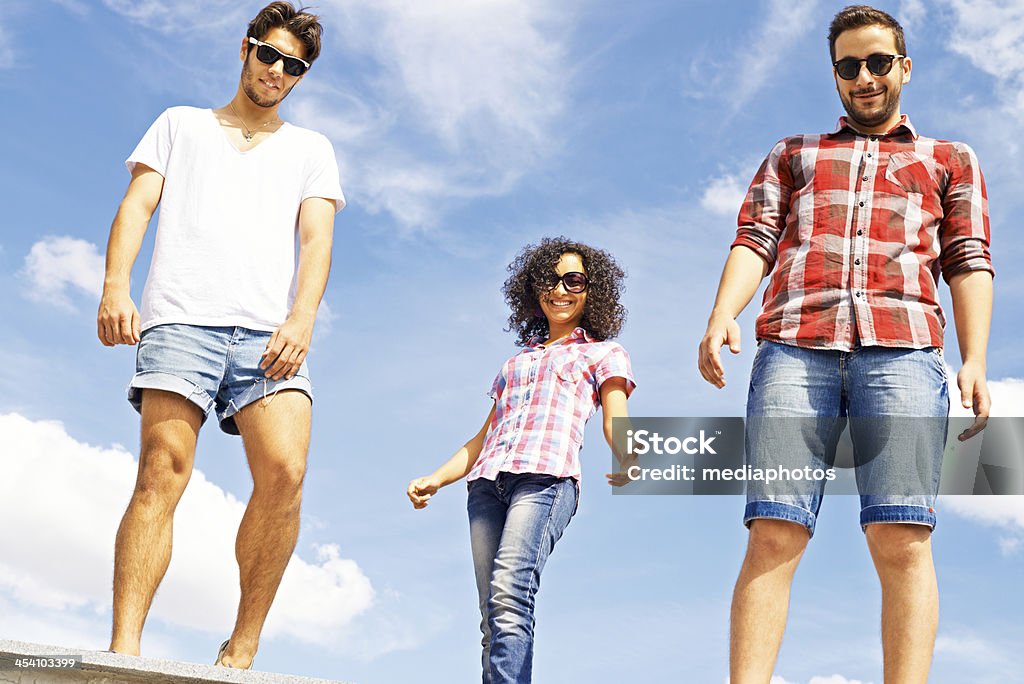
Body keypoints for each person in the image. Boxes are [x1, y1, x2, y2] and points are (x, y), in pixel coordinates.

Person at [697, 5, 993, 683]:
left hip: (905, 352)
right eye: (849, 66)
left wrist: (975, 358)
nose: (864, 76)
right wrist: (722, 313)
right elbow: (755, 239)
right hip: (794, 349)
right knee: (774, 531)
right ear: (835, 75)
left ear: (904, 68)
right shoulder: (793, 154)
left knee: (902, 536)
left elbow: (968, 258)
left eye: (878, 62)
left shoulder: (951, 160)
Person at [96, 1, 344, 669]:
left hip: (270, 336)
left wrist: (301, 317)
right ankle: (124, 652)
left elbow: (317, 239)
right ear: (246, 49)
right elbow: (137, 206)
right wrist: (116, 286)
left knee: (287, 472)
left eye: (295, 66)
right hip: (181, 320)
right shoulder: (180, 125)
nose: (278, 71)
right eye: (270, 55)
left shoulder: (311, 150)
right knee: (161, 473)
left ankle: (242, 647)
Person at [407, 237, 636, 684]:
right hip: (486, 485)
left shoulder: (604, 353)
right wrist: (437, 478)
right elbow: (482, 437)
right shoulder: (516, 363)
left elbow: (616, 418)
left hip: (545, 480)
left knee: (510, 594)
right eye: (549, 280)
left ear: (593, 291)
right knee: (491, 614)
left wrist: (626, 454)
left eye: (574, 280)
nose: (560, 289)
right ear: (534, 289)